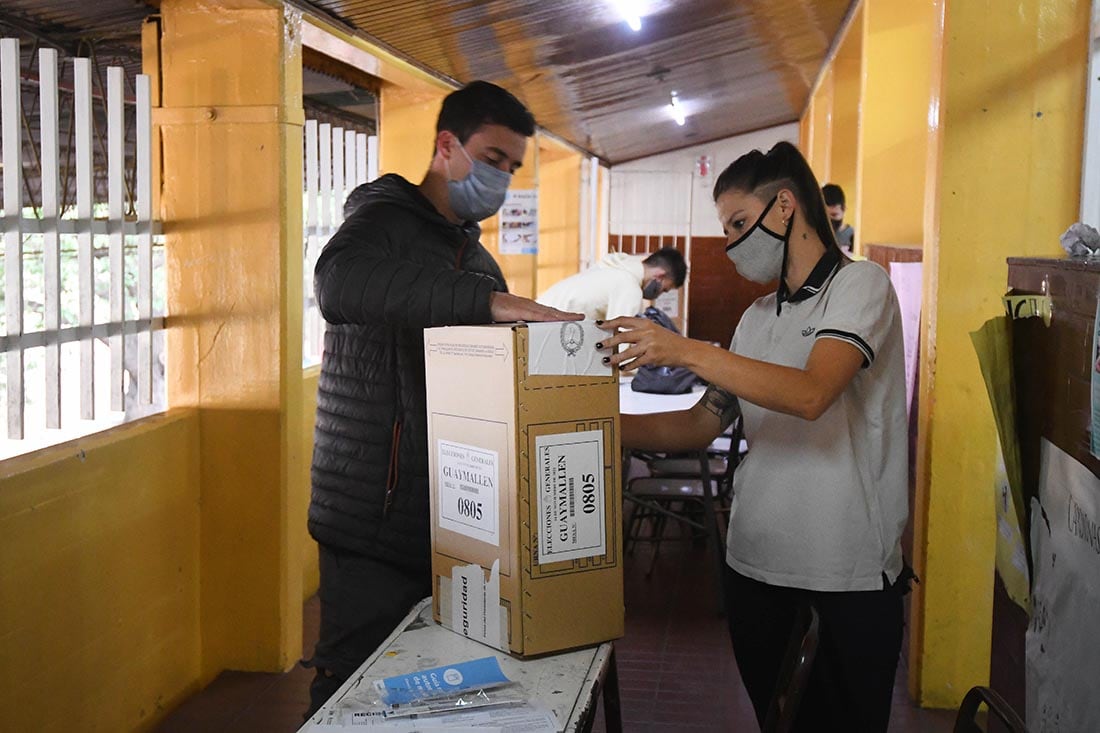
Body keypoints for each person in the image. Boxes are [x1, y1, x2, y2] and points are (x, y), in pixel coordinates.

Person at [596, 142, 910, 732]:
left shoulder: (860, 286)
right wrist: (598, 428)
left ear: (785, 207)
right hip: (756, 567)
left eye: (740, 223)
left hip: (843, 574)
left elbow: (812, 393)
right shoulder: (757, 318)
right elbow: (700, 422)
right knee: (778, 720)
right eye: (726, 229)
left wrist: (687, 349)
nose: (733, 243)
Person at [303, 80, 580, 717]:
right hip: (371, 516)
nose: (501, 177)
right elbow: (339, 283)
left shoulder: (478, 260)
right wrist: (493, 303)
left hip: (451, 520)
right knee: (353, 691)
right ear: (446, 145)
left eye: (511, 167)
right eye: (491, 158)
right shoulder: (383, 221)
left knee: (438, 690)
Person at [536, 247, 687, 321]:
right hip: (549, 329)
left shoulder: (615, 264)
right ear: (660, 275)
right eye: (664, 289)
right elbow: (621, 345)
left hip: (535, 318)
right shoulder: (629, 287)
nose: (658, 294)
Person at [822, 182, 855, 254]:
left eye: (834, 215)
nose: (829, 220)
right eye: (825, 216)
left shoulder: (853, 236)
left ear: (844, 209)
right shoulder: (815, 235)